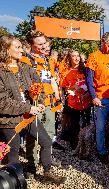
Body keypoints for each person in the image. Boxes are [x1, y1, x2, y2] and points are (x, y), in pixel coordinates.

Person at [0, 35, 65, 184]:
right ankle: (14, 182)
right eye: (17, 47)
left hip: (29, 116)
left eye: (21, 47)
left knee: (46, 141)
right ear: (6, 49)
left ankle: (47, 173)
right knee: (13, 153)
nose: (21, 50)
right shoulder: (1, 72)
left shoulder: (26, 68)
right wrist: (29, 106)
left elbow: (39, 87)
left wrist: (39, 100)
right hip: (10, 119)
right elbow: (2, 102)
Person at [85, 32, 109, 163]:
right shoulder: (94, 56)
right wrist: (94, 97)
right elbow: (89, 79)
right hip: (101, 98)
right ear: (103, 41)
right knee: (100, 128)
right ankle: (101, 151)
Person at [60, 49, 92, 150]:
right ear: (69, 58)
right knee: (74, 125)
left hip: (86, 102)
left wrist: (86, 93)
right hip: (73, 103)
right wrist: (73, 87)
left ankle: (86, 145)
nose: (76, 58)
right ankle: (75, 145)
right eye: (73, 56)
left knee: (86, 124)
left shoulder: (85, 70)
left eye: (78, 55)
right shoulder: (66, 71)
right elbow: (64, 87)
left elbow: (91, 83)